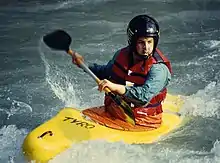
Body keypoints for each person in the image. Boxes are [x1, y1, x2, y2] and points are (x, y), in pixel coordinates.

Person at [72, 14, 172, 129]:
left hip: (143, 122)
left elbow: (143, 96)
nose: (146, 47)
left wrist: (115, 87)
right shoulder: (122, 54)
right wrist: (83, 65)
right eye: (141, 42)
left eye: (149, 42)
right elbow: (106, 72)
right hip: (114, 113)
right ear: (133, 41)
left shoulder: (158, 68)